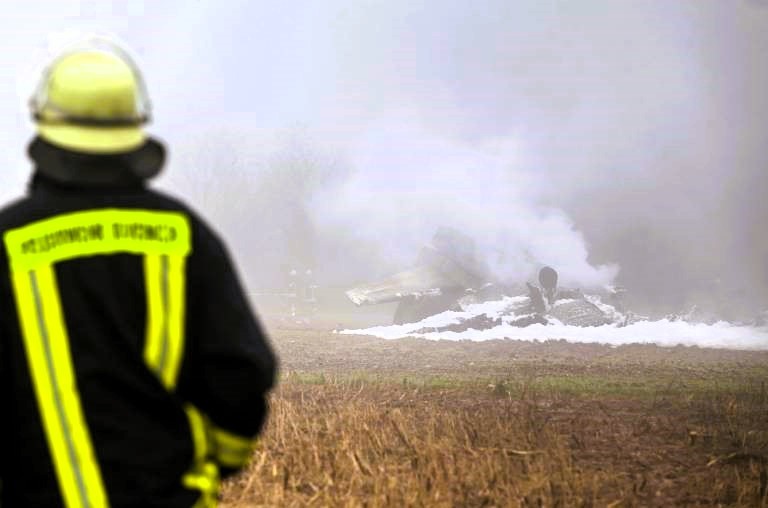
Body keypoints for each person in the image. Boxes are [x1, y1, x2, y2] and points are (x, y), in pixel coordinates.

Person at [0, 39, 277, 507]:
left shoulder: (9, 242)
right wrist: (217, 461)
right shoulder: (185, 237)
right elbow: (242, 371)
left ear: (45, 126)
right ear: (136, 129)